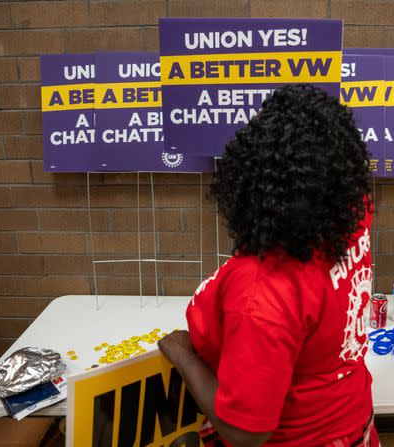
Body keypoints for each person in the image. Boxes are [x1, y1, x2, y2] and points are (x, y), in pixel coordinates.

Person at [158, 84, 378, 447]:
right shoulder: (351, 211)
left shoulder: (263, 292)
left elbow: (246, 434)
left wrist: (185, 358)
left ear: (256, 177)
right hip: (350, 418)